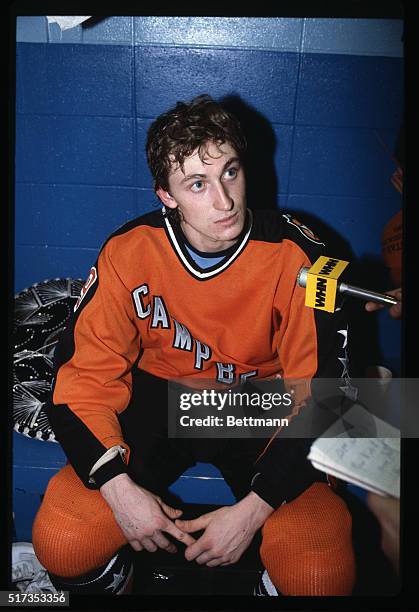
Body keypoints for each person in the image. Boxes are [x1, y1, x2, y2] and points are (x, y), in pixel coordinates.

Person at [31, 94, 356, 596]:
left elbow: (328, 396)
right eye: (197, 184)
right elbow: (83, 378)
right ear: (166, 195)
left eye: (230, 172)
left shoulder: (302, 256)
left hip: (258, 404)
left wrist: (255, 509)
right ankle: (119, 582)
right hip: (161, 400)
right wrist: (117, 489)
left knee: (319, 574)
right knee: (63, 541)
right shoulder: (129, 251)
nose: (224, 201)